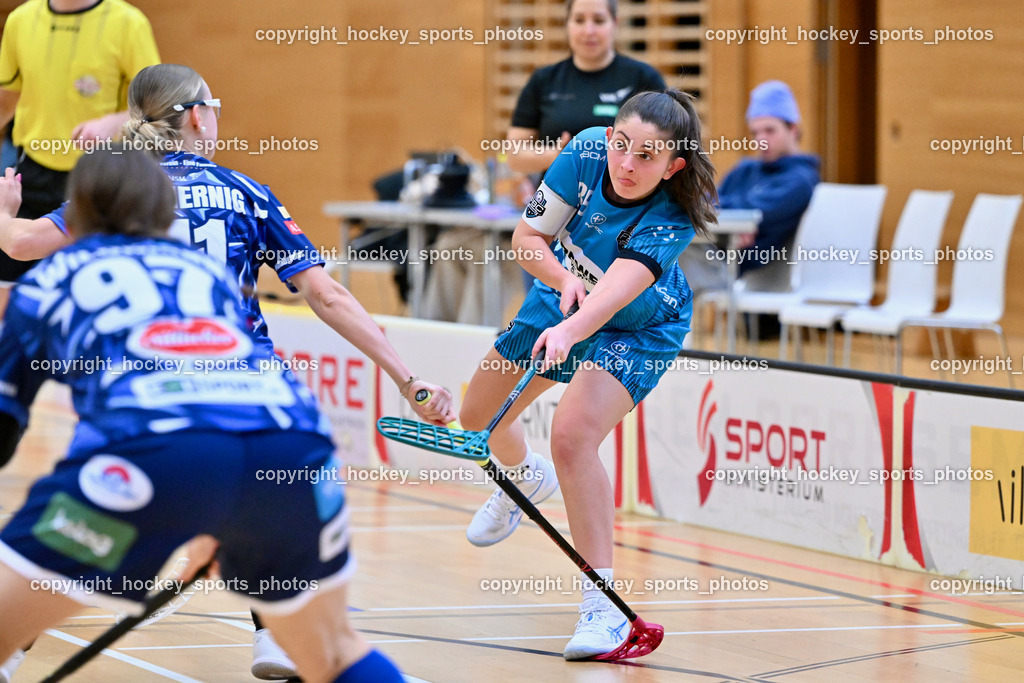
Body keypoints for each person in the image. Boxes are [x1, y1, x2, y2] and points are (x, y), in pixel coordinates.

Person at [0, 63, 456, 680]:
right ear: (195, 116)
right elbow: (329, 297)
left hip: (148, 447)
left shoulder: (58, 277)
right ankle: (275, 632)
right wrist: (406, 378)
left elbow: (22, 251)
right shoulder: (233, 211)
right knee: (335, 652)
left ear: (79, 217)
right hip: (282, 432)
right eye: (213, 105)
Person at [459, 89, 716, 660]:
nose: (627, 164)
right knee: (477, 416)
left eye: (647, 156)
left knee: (572, 436)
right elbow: (526, 240)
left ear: (673, 164)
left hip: (637, 328)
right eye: (621, 145)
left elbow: (617, 293)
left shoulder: (671, 213)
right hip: (565, 295)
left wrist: (571, 329)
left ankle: (603, 611)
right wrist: (560, 282)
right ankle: (523, 476)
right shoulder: (584, 152)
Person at [0, 0, 160, 293]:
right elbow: (7, 99)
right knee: (8, 274)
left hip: (101, 176)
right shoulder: (20, 20)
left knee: (91, 284)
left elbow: (155, 107)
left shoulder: (128, 22)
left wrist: (112, 122)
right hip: (31, 171)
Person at [680, 80, 820, 337]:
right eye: (755, 133)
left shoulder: (802, 180)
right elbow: (706, 204)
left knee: (672, 251)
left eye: (770, 130)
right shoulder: (745, 170)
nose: (761, 140)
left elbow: (755, 214)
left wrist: (730, 222)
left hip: (736, 268)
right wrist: (730, 226)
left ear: (794, 128)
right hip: (713, 251)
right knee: (665, 242)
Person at [506, 0, 667, 175]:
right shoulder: (543, 80)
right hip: (559, 196)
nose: (588, 31)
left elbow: (667, 147)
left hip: (626, 197)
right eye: (579, 20)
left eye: (599, 21)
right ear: (567, 24)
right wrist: (558, 156)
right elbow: (514, 155)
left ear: (614, 24)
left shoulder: (643, 78)